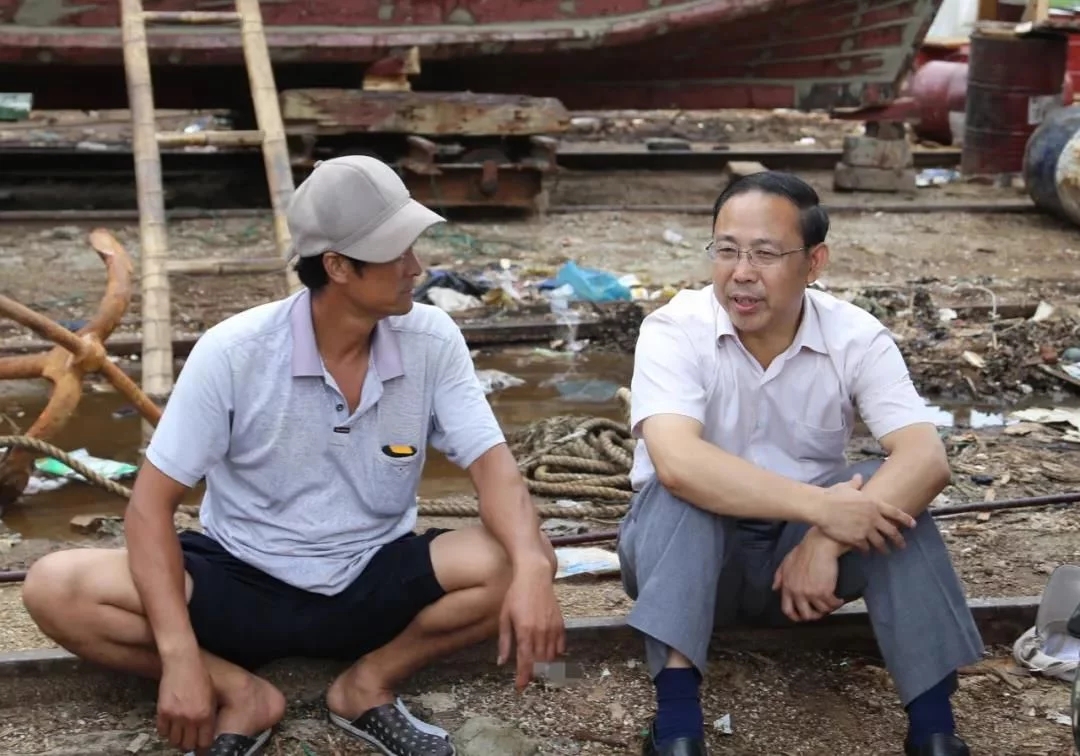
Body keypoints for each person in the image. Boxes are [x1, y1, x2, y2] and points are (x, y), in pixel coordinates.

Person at [21, 155, 565, 756]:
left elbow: (495, 470)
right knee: (54, 586)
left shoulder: (432, 340)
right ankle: (241, 691)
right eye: (397, 253)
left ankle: (368, 684)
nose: (416, 267)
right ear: (337, 266)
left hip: (372, 578)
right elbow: (149, 509)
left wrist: (532, 569)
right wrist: (179, 659)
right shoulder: (234, 352)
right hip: (239, 582)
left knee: (527, 555)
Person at [616, 171, 984, 756]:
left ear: (814, 263)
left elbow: (926, 457)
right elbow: (679, 462)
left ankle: (935, 731)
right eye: (727, 250)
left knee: (890, 501)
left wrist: (825, 539)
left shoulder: (855, 335)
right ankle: (678, 728)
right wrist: (825, 508)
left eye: (765, 254)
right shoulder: (673, 329)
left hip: (805, 572)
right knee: (680, 490)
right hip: (687, 565)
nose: (741, 272)